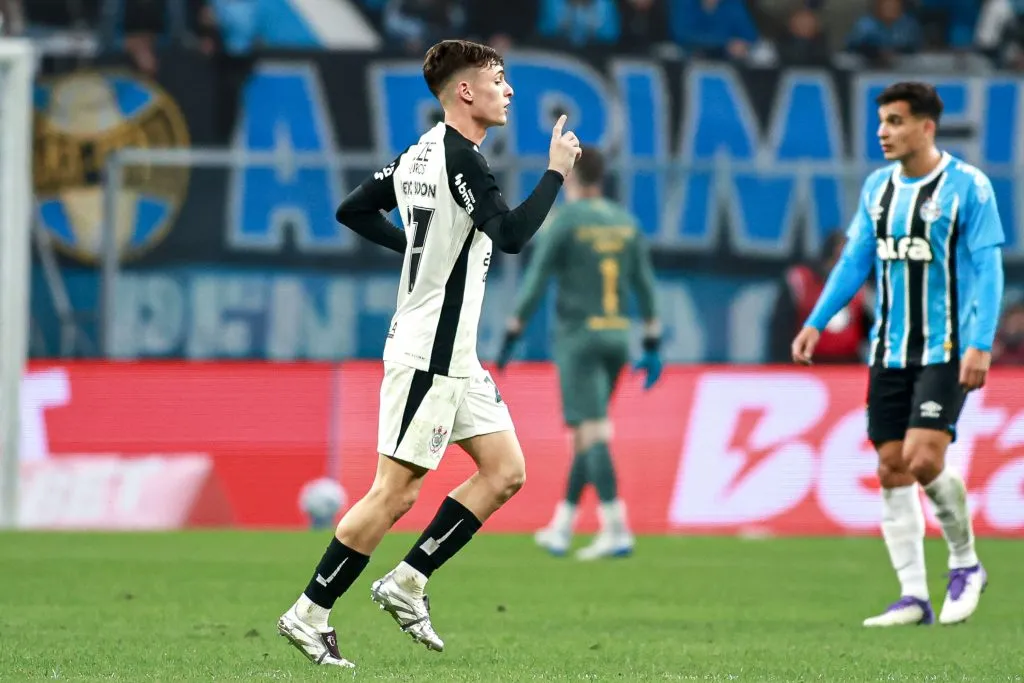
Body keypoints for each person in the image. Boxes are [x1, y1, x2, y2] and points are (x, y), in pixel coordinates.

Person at [277, 39, 582, 668]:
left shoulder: (418, 156)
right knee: (395, 491)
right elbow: (515, 235)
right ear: (465, 91)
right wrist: (556, 171)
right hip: (429, 353)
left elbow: (353, 208)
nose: (510, 91)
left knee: (505, 472)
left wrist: (419, 253)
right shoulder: (462, 161)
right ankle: (309, 612)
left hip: (458, 355)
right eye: (499, 79)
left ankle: (409, 580)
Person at [791, 81, 1004, 628]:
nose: (883, 131)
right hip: (888, 349)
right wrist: (816, 320)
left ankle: (965, 563)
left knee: (923, 459)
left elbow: (988, 270)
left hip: (946, 348)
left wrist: (980, 342)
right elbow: (855, 260)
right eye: (881, 121)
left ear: (926, 127)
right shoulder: (878, 189)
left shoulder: (968, 188)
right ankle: (913, 595)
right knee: (890, 468)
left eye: (895, 121)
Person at [495, 146, 662, 560]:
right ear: (602, 178)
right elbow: (645, 286)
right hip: (618, 338)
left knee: (592, 434)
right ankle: (563, 525)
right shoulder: (626, 223)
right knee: (587, 435)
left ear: (570, 177)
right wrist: (654, 342)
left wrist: (512, 332)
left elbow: (535, 280)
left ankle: (616, 527)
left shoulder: (565, 221)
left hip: (579, 340)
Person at [769, 229, 872, 364]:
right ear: (827, 258)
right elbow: (780, 331)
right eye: (839, 259)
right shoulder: (800, 284)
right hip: (808, 364)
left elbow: (872, 329)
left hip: (849, 366)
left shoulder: (859, 288)